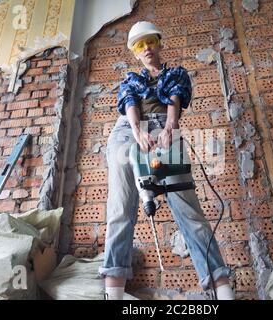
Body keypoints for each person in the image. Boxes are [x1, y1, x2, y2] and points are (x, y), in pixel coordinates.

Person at [99, 21, 235, 300]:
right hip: (127, 131)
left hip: (163, 127)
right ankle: (112, 295)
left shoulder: (176, 73)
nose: (146, 48)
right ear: (135, 53)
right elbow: (129, 104)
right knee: (121, 207)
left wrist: (169, 130)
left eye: (150, 41)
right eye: (139, 45)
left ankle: (223, 290)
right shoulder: (130, 79)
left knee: (186, 207)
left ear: (159, 43)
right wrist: (138, 132)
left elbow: (174, 106)